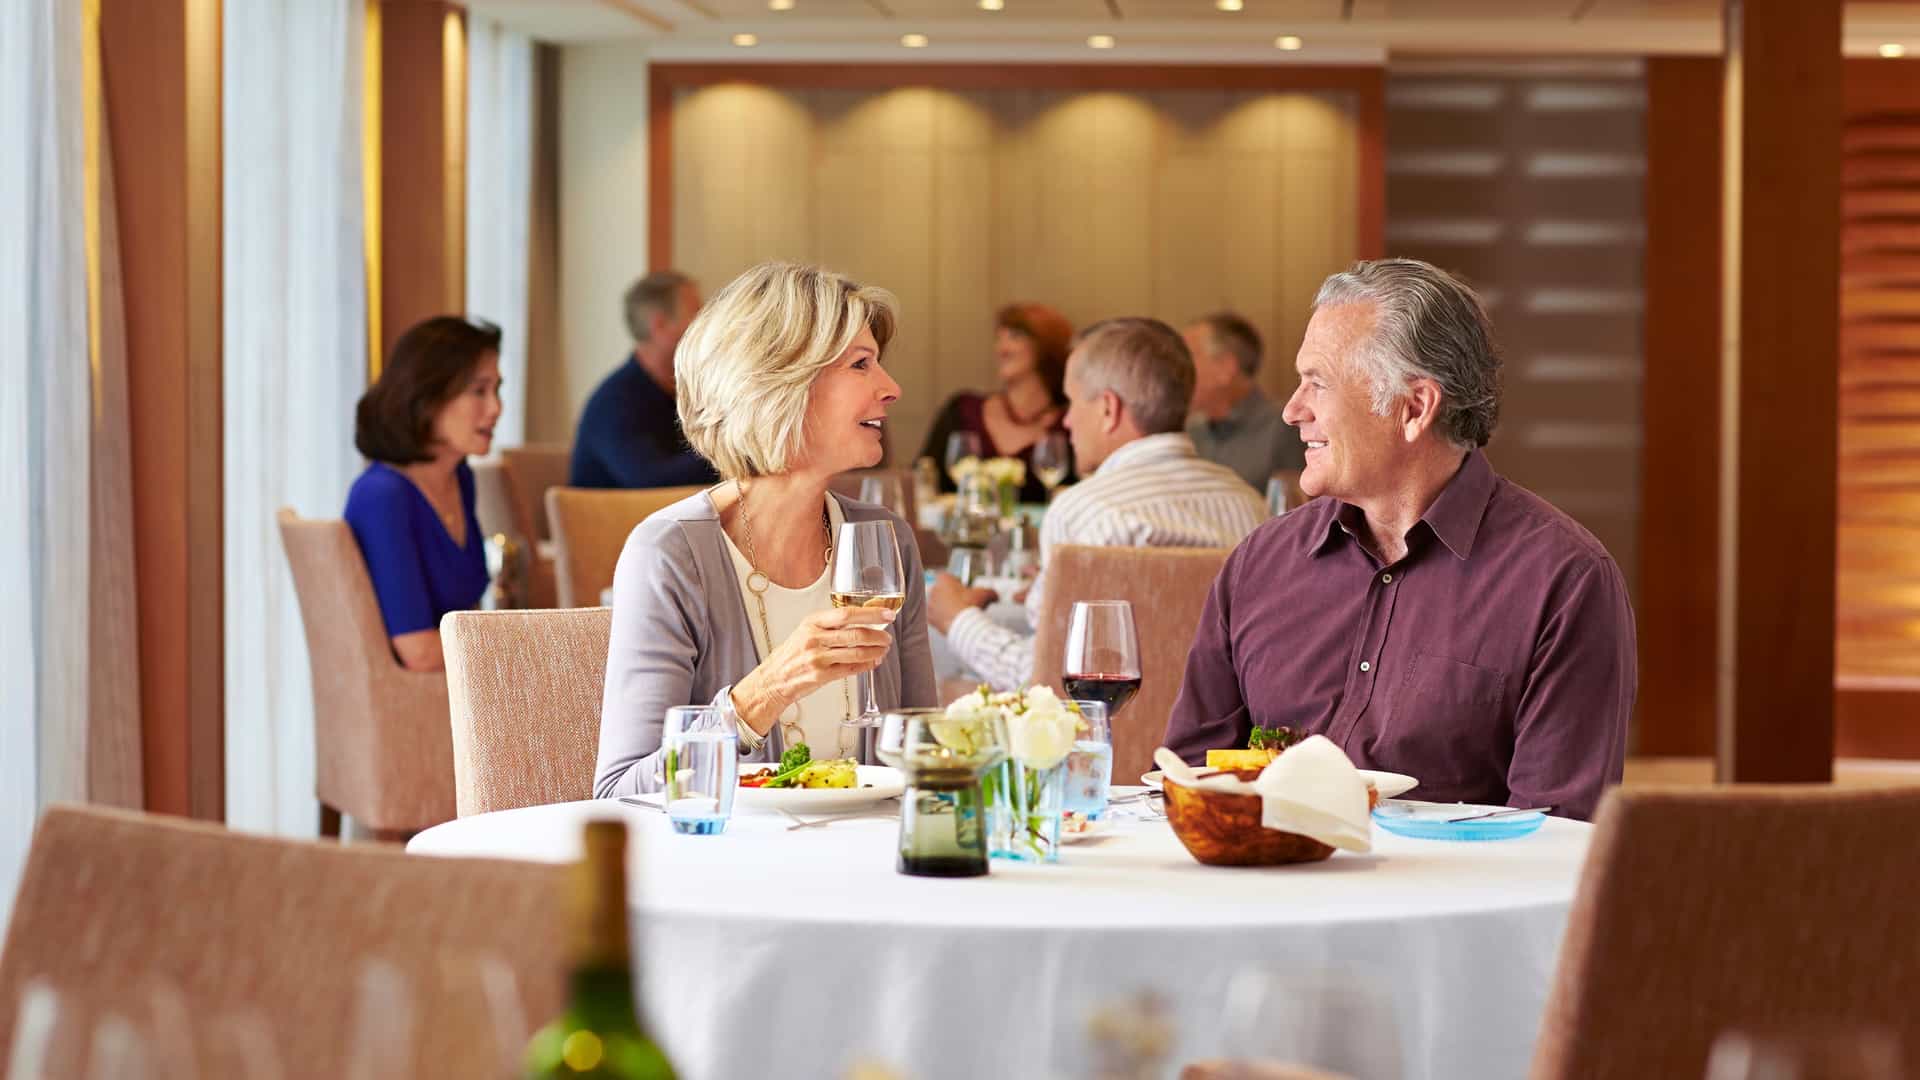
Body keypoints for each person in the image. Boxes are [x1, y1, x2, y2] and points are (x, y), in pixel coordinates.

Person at [1162, 258, 1636, 821]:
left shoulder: (1564, 580)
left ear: (1414, 408)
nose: (1292, 410)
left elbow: (1557, 833)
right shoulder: (1259, 564)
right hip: (1267, 873)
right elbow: (1189, 781)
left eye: (1318, 383)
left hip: (1455, 881)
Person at [595, 261, 935, 797]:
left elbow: (922, 760)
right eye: (860, 364)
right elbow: (622, 792)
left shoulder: (884, 539)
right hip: (735, 854)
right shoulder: (670, 553)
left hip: (873, 850)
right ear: (779, 383)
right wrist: (765, 692)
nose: (891, 388)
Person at [927, 317, 1266, 692]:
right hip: (1223, 729)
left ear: (1108, 409)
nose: (1067, 421)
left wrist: (957, 619)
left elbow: (1046, 681)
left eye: (1072, 402)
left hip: (1110, 728)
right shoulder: (1249, 505)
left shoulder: (1083, 511)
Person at [344, 316, 504, 673]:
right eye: (479, 391)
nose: (496, 408)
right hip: (416, 696)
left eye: (497, 390)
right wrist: (518, 650)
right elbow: (418, 651)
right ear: (428, 397)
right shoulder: (382, 497)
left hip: (456, 688)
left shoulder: (459, 477)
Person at [569, 270, 721, 489]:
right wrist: (728, 453)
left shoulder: (683, 391)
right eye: (696, 313)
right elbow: (649, 480)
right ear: (660, 326)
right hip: (620, 512)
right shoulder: (615, 401)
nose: (706, 325)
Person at [917, 302, 1075, 504]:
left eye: (1015, 337)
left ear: (1047, 347)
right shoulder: (963, 411)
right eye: (999, 339)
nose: (1002, 348)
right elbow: (923, 480)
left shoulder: (1069, 425)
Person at [1183, 312, 1305, 491]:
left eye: (1188, 356)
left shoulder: (1286, 427)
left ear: (1226, 367)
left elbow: (1300, 502)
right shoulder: (1191, 433)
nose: (1178, 368)